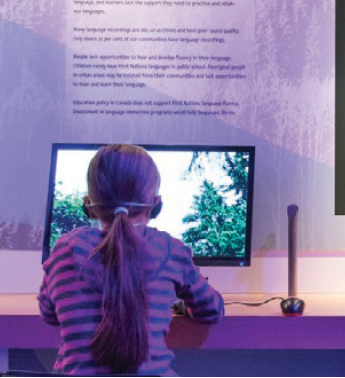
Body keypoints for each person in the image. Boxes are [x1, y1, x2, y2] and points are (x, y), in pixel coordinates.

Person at [38, 144, 225, 375]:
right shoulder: (170, 250)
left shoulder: (64, 249)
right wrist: (180, 306)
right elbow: (212, 310)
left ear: (89, 204)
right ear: (155, 205)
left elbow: (49, 314)